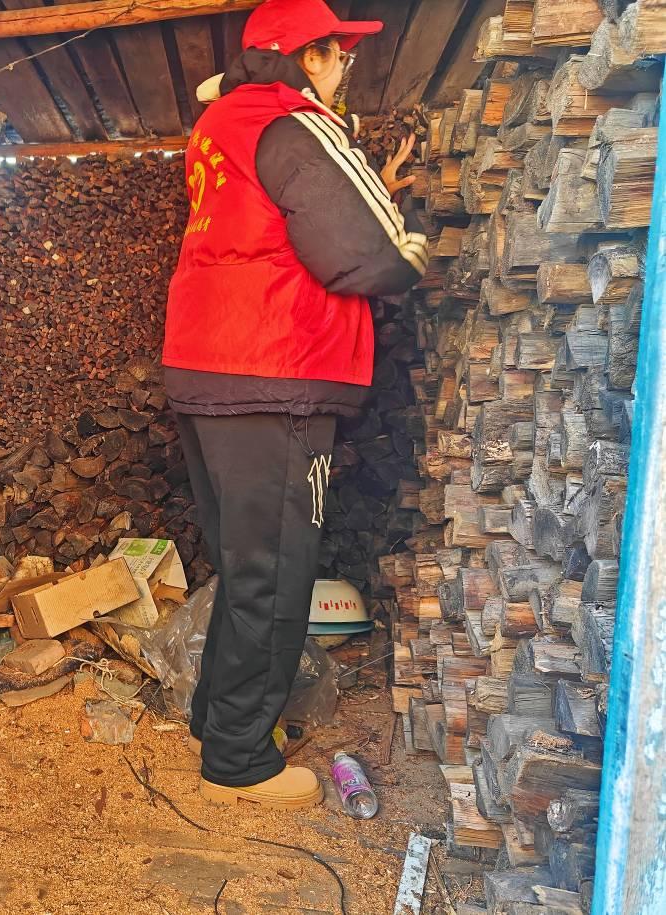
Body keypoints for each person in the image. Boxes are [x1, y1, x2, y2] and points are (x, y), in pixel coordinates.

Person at [162, 0, 427, 808]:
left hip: (208, 366)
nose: (345, 66)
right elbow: (370, 254)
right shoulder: (295, 121)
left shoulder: (219, 127)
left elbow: (275, 225)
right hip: (272, 369)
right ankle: (240, 762)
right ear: (308, 57)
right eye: (340, 53)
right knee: (275, 574)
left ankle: (217, 722)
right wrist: (408, 243)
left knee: (246, 567)